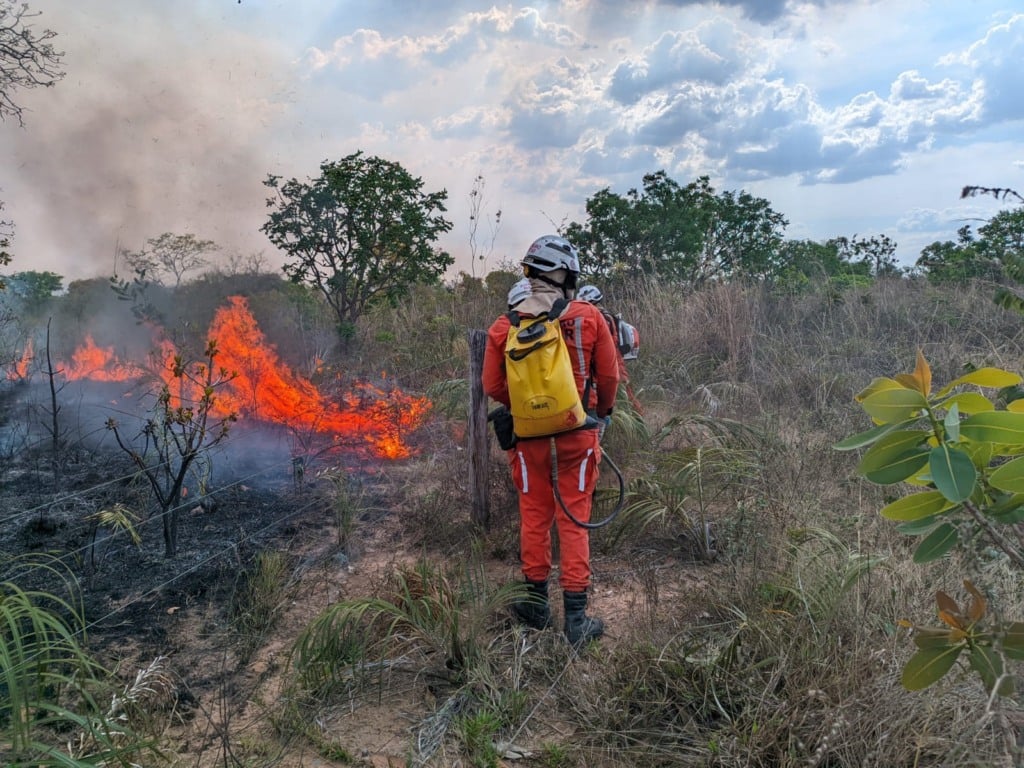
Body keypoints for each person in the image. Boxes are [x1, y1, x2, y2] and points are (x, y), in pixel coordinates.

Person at [482, 235, 620, 645]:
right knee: (574, 520)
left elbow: (493, 385)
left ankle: (535, 607)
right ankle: (576, 620)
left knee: (535, 517)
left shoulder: (504, 325)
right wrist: (602, 413)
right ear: (565, 274)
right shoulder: (588, 316)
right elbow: (610, 377)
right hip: (578, 436)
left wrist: (527, 409)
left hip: (528, 440)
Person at [576, 284, 642, 413]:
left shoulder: (601, 318)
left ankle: (638, 422)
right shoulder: (605, 316)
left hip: (611, 360)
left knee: (624, 394)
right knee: (623, 393)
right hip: (612, 360)